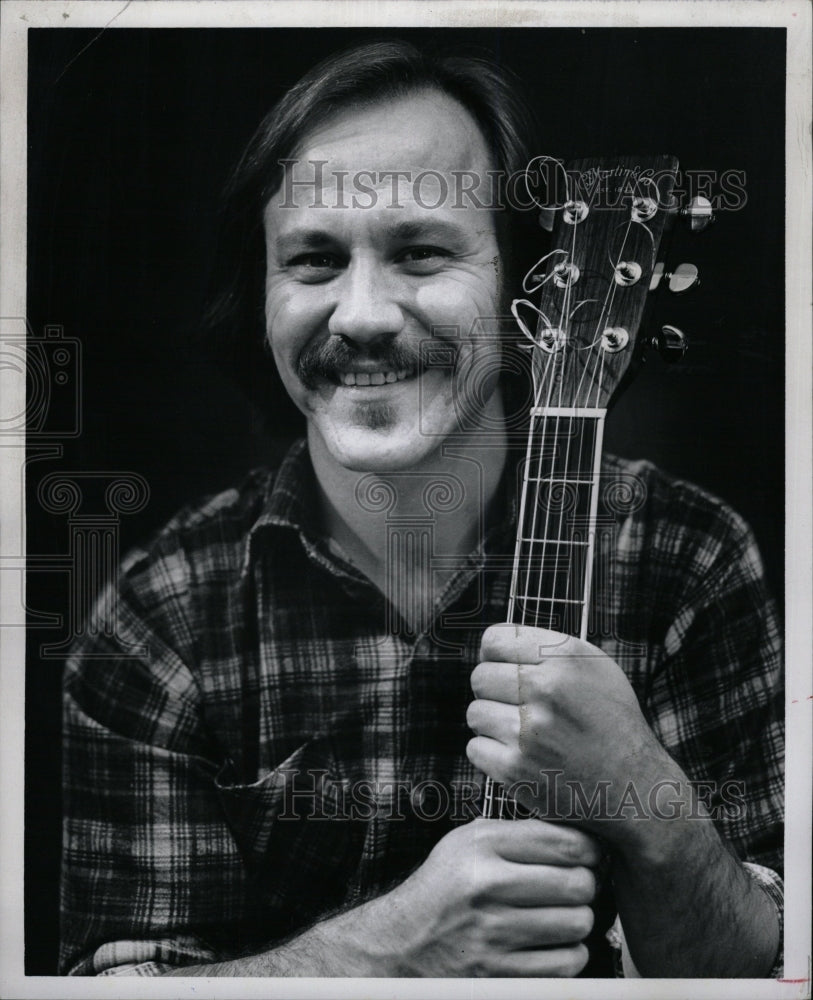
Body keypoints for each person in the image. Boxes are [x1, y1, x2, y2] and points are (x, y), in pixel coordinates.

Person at [59, 41, 783, 978]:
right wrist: (394, 949)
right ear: (261, 295)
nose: (361, 314)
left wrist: (644, 792)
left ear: (530, 289)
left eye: (422, 251)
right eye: (314, 259)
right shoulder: (159, 619)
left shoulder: (685, 558)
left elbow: (770, 971)